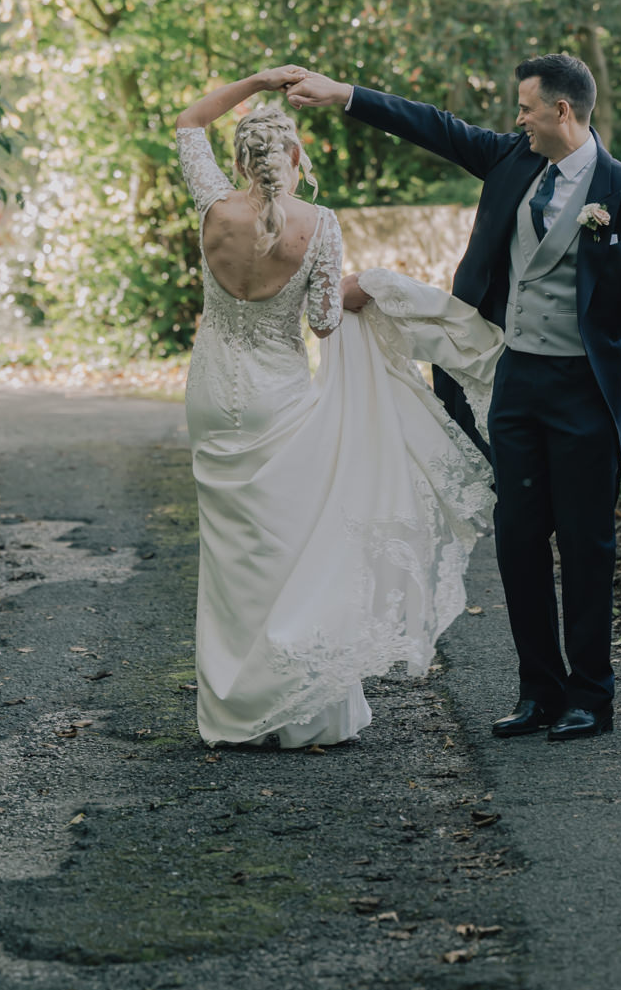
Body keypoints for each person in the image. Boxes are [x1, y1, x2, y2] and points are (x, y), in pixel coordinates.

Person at [287, 54, 621, 743]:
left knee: (587, 545)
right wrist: (342, 94)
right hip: (515, 380)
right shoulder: (511, 161)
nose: (517, 117)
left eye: (527, 106)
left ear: (563, 111)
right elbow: (430, 126)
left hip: (587, 392)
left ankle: (591, 695)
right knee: (519, 538)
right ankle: (539, 691)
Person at [177, 67, 501, 748]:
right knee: (289, 548)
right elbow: (325, 321)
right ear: (295, 157)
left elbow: (188, 121)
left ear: (239, 160)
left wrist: (259, 80)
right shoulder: (319, 225)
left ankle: (235, 708)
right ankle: (301, 709)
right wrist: (366, 291)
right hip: (279, 400)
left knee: (230, 555)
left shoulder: (211, 206)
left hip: (212, 396)